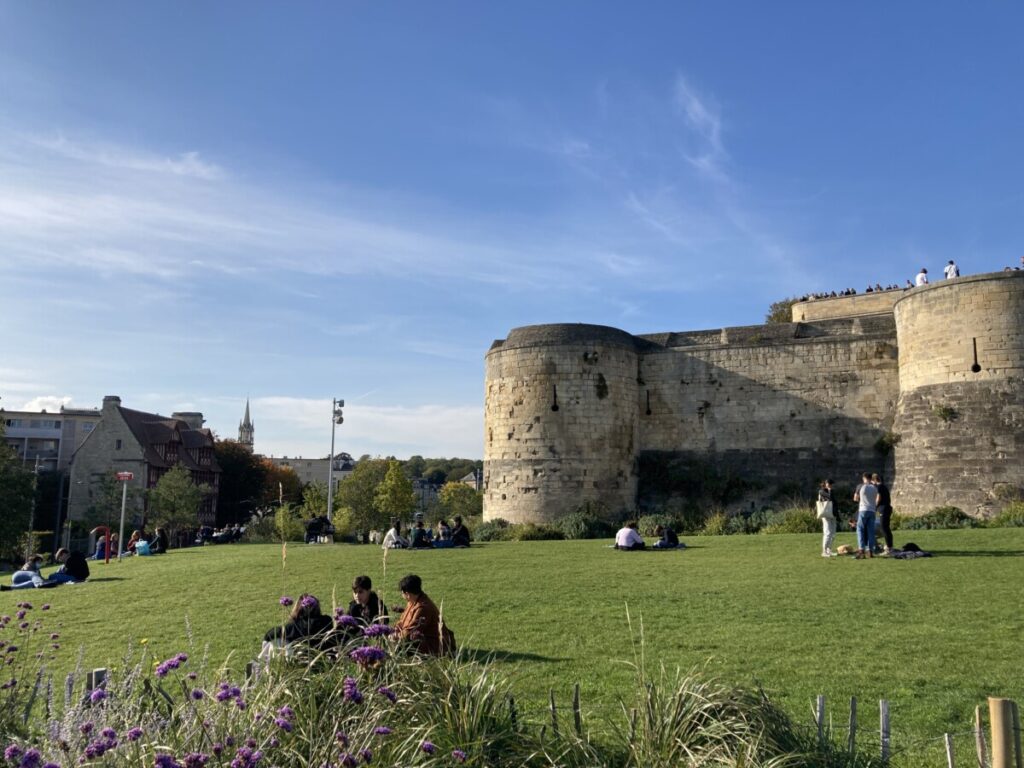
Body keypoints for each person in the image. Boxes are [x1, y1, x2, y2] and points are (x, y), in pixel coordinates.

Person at [393, 574, 455, 656]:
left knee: (399, 649)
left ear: (407, 593)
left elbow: (412, 631)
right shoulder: (412, 602)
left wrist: (396, 636)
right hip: (420, 639)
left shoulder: (423, 608)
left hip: (433, 644)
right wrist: (394, 630)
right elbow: (402, 621)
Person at [262, 593, 336, 655]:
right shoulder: (327, 620)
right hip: (326, 658)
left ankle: (259, 666)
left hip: (301, 660)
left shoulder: (294, 626)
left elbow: (270, 634)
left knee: (277, 641)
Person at [852, 473, 879, 559]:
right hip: (872, 510)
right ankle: (870, 550)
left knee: (860, 529)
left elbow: (855, 499)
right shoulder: (875, 487)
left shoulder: (860, 486)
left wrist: (861, 498)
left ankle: (861, 550)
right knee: (870, 531)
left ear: (864, 478)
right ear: (871, 478)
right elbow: (876, 498)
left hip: (863, 509)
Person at [873, 473, 894, 554]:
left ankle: (889, 548)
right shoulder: (884, 486)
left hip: (884, 509)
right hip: (887, 509)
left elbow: (878, 498)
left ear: (874, 480)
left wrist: (874, 507)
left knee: (884, 529)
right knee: (886, 528)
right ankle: (889, 546)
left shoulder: (879, 487)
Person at [816, 479, 837, 557]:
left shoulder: (831, 491)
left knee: (833, 533)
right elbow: (830, 498)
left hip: (832, 514)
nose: (831, 486)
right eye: (829, 484)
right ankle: (824, 551)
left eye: (831, 484)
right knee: (827, 532)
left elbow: (835, 502)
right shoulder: (822, 491)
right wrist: (830, 490)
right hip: (826, 514)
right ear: (825, 484)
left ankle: (829, 550)